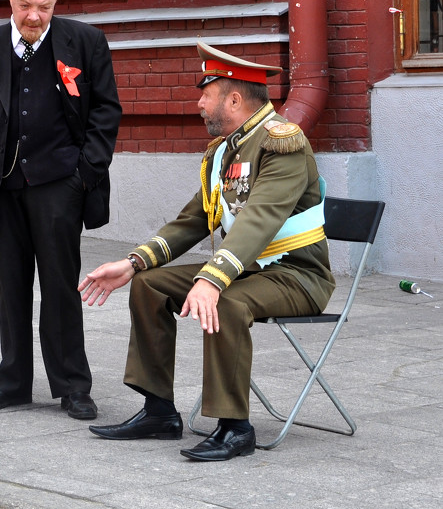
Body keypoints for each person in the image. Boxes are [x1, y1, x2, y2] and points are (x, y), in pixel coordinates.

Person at [79, 41, 334, 461]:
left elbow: (260, 220)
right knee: (150, 286)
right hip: (246, 269)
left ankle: (235, 428)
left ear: (234, 99)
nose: (198, 104)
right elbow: (194, 220)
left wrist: (211, 279)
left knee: (226, 302)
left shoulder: (281, 143)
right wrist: (132, 262)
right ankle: (159, 411)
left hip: (296, 274)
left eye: (206, 95)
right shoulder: (224, 150)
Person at [0, 0, 121, 420]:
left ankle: (72, 386)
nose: (34, 17)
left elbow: (106, 112)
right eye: (25, 6)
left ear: (56, 4)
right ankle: (13, 382)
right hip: (1, 188)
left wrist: (85, 173)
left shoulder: (86, 43)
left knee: (61, 288)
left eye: (44, 7)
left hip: (60, 184)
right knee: (11, 287)